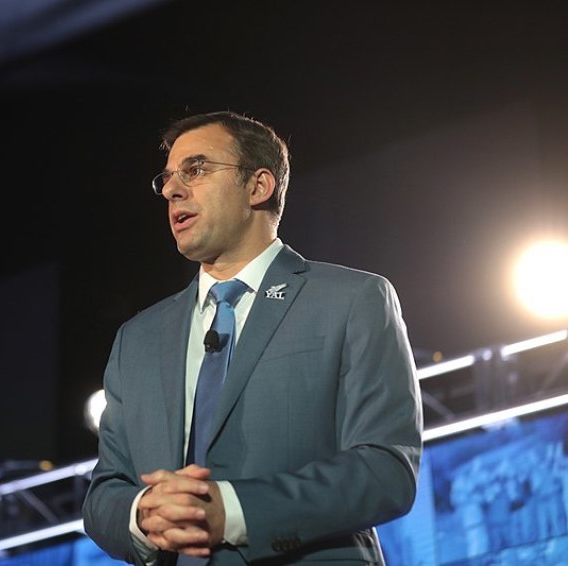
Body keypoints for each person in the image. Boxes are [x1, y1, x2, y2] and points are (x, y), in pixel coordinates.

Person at [82, 110, 423, 565]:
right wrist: (142, 514)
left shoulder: (351, 300)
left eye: (196, 170)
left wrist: (236, 511)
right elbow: (105, 489)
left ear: (258, 187)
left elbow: (386, 471)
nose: (170, 189)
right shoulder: (136, 340)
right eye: (166, 179)